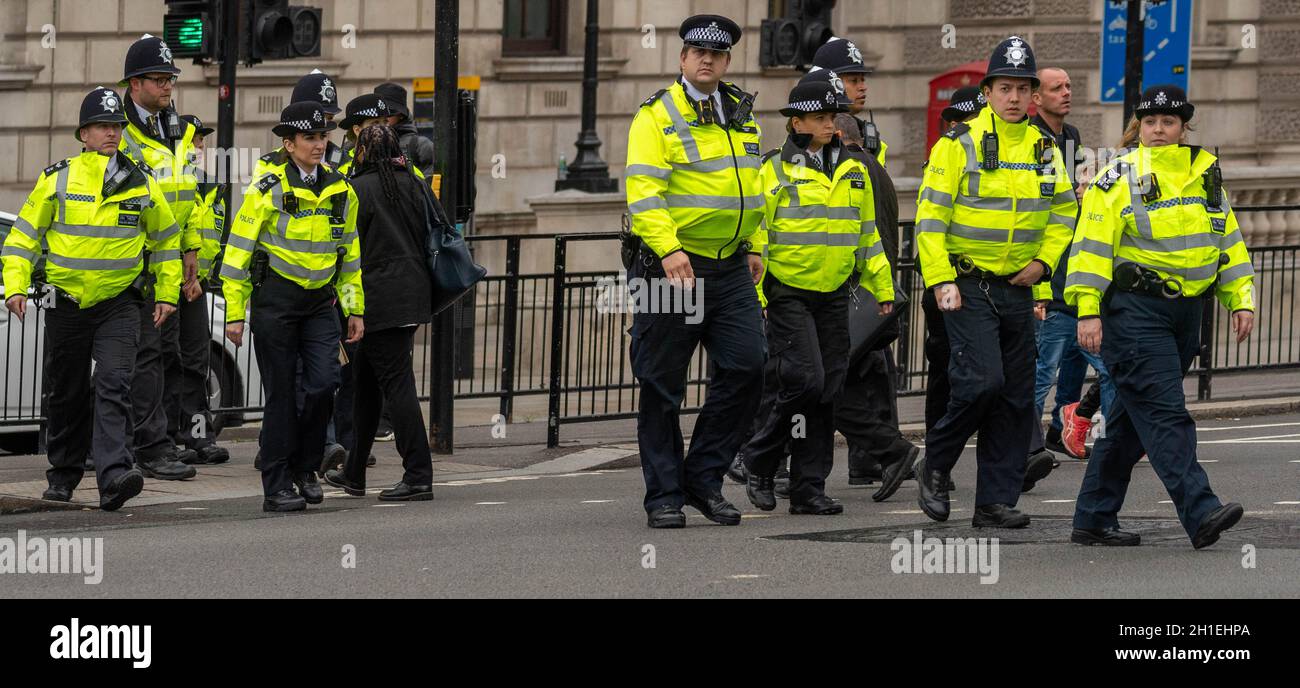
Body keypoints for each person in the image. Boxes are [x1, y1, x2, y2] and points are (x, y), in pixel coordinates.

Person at [1066, 85, 1253, 549]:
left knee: (1131, 425)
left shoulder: (1205, 174)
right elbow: (1091, 249)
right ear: (1139, 128)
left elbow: (1226, 240)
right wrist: (1087, 310)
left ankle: (1092, 519)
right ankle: (1201, 509)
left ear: (1182, 127)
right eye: (1150, 122)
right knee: (1167, 413)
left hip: (1186, 313)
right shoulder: (1118, 177)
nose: (1159, 130)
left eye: (1168, 122)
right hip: (1134, 313)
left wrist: (1241, 298)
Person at [913, 36, 1077, 528]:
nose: (1013, 97)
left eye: (1022, 89)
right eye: (1004, 88)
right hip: (967, 283)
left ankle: (995, 501)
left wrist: (1044, 268)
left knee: (1013, 396)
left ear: (1032, 96)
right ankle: (936, 464)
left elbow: (1064, 214)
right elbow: (929, 219)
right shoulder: (957, 144)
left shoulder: (1044, 150)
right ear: (987, 92)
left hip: (1019, 287)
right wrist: (941, 279)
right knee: (982, 383)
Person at [2, 87, 181, 510]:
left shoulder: (141, 182)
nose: (112, 133)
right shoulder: (58, 178)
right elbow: (22, 238)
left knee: (114, 383)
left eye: (117, 126)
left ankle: (115, 475)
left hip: (119, 302)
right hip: (67, 303)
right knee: (65, 393)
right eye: (103, 126)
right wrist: (14, 286)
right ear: (83, 133)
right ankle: (62, 475)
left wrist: (167, 293)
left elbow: (167, 240)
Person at [624, 14, 766, 529]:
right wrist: (666, 249)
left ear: (727, 61)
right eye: (697, 52)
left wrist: (757, 244)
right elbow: (644, 191)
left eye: (717, 54)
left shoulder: (742, 114)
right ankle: (664, 495)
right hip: (673, 268)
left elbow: (756, 188)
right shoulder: (656, 115)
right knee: (662, 384)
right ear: (682, 58)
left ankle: (703, 479)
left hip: (730, 268)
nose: (707, 60)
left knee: (749, 367)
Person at [742, 78, 895, 515]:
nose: (831, 124)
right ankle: (761, 455)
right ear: (797, 122)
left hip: (834, 293)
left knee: (828, 388)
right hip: (789, 291)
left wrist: (882, 288)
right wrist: (759, 296)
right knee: (804, 380)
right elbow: (759, 233)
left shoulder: (854, 169)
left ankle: (809, 487)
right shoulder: (773, 169)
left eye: (833, 117)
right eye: (822, 117)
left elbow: (868, 236)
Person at [221, 101, 365, 512]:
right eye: (309, 138)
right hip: (277, 301)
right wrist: (234, 311)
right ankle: (277, 484)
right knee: (281, 395)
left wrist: (355, 309)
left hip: (320, 302)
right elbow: (238, 251)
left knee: (323, 385)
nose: (319, 145)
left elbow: (349, 254)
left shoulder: (341, 189)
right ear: (289, 143)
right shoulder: (267, 189)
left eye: (322, 137)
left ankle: (306, 467)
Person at [323, 125, 435, 501]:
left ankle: (418, 474)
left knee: (398, 387)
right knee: (367, 388)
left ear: (362, 154)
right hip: (412, 294)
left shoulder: (358, 189)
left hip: (375, 300)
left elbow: (345, 245)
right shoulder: (414, 184)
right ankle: (354, 473)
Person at [118, 34, 200, 480]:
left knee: (166, 354)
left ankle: (159, 439)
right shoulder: (118, 130)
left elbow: (186, 195)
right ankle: (149, 447)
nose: (168, 85)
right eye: (159, 78)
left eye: (171, 77)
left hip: (170, 258)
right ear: (134, 84)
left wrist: (190, 249)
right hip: (135, 259)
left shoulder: (177, 128)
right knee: (143, 355)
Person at [1029, 67, 1114, 462]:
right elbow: (1035, 209)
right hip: (1043, 274)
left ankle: (1059, 429)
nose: (1066, 92)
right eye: (1056, 88)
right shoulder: (1033, 139)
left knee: (1074, 362)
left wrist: (1085, 190)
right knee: (1041, 371)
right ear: (1037, 98)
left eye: (1068, 85)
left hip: (1071, 271)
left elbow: (1075, 193)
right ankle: (1024, 445)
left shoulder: (1072, 136)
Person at [160, 114, 231, 465]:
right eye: (195, 141)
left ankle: (199, 437)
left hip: (195, 288)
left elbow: (214, 242)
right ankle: (166, 438)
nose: (201, 148)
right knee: (165, 362)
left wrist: (198, 280)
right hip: (164, 283)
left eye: (202, 142)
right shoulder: (167, 182)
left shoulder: (211, 187)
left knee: (197, 364)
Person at [920, 86, 984, 435]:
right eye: (957, 121)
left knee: (994, 372)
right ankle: (937, 445)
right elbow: (931, 221)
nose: (961, 127)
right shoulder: (945, 154)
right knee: (945, 367)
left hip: (983, 280)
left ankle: (1021, 451)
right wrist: (941, 280)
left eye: (968, 119)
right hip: (946, 277)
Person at [809, 37, 887, 167]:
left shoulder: (868, 136)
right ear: (831, 82)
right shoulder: (814, 137)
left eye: (863, 79)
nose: (863, 87)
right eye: (854, 80)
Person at [375, 81, 436, 178]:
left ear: (401, 115)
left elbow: (427, 187)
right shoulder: (357, 146)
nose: (384, 117)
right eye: (379, 112)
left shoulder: (420, 146)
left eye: (389, 112)